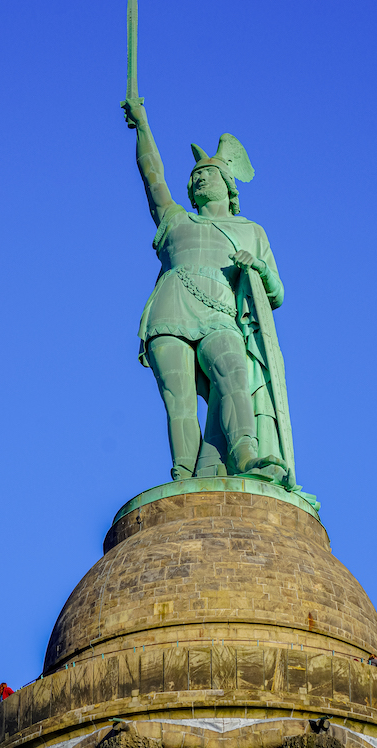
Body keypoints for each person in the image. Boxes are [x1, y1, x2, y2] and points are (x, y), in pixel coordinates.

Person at [124, 100, 296, 488]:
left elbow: (277, 293)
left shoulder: (252, 231)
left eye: (207, 174)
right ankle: (184, 476)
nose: (199, 179)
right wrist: (142, 125)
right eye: (195, 176)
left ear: (228, 184)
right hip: (170, 308)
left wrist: (258, 267)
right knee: (179, 400)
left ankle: (245, 454)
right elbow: (153, 176)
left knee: (234, 373)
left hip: (221, 313)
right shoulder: (175, 219)